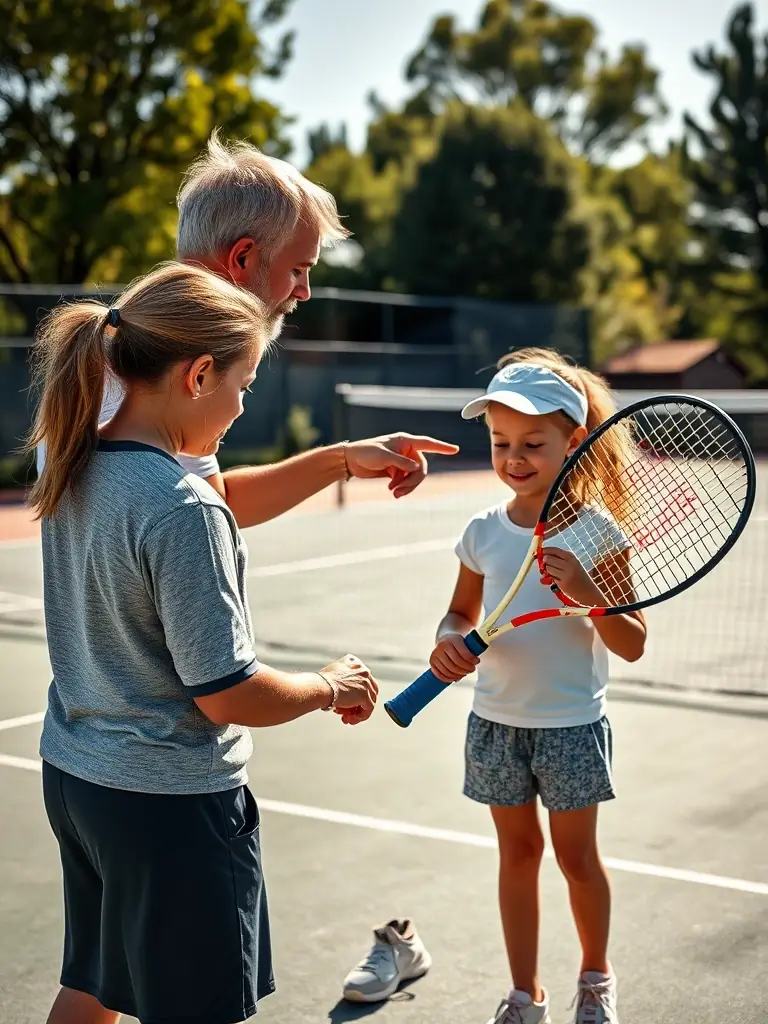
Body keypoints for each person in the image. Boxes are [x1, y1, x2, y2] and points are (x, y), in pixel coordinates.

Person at [27, 261, 390, 1024]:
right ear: (197, 375)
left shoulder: (72, 461)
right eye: (244, 383)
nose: (241, 404)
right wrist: (329, 685)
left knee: (93, 986)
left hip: (77, 778)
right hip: (168, 808)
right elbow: (227, 691)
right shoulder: (184, 508)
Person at [37, 131, 459, 520]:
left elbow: (214, 499)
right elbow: (182, 521)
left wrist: (344, 459)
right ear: (242, 258)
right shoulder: (146, 363)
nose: (305, 290)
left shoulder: (149, 341)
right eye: (298, 269)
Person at [426, 348, 647, 1024]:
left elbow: (632, 641)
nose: (514, 457)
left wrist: (588, 596)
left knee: (578, 861)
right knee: (517, 857)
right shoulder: (483, 532)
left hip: (571, 727)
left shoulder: (598, 533)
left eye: (533, 444)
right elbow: (460, 613)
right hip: (494, 722)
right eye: (500, 443)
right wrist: (445, 641)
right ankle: (526, 994)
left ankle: (595, 978)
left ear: (573, 443)